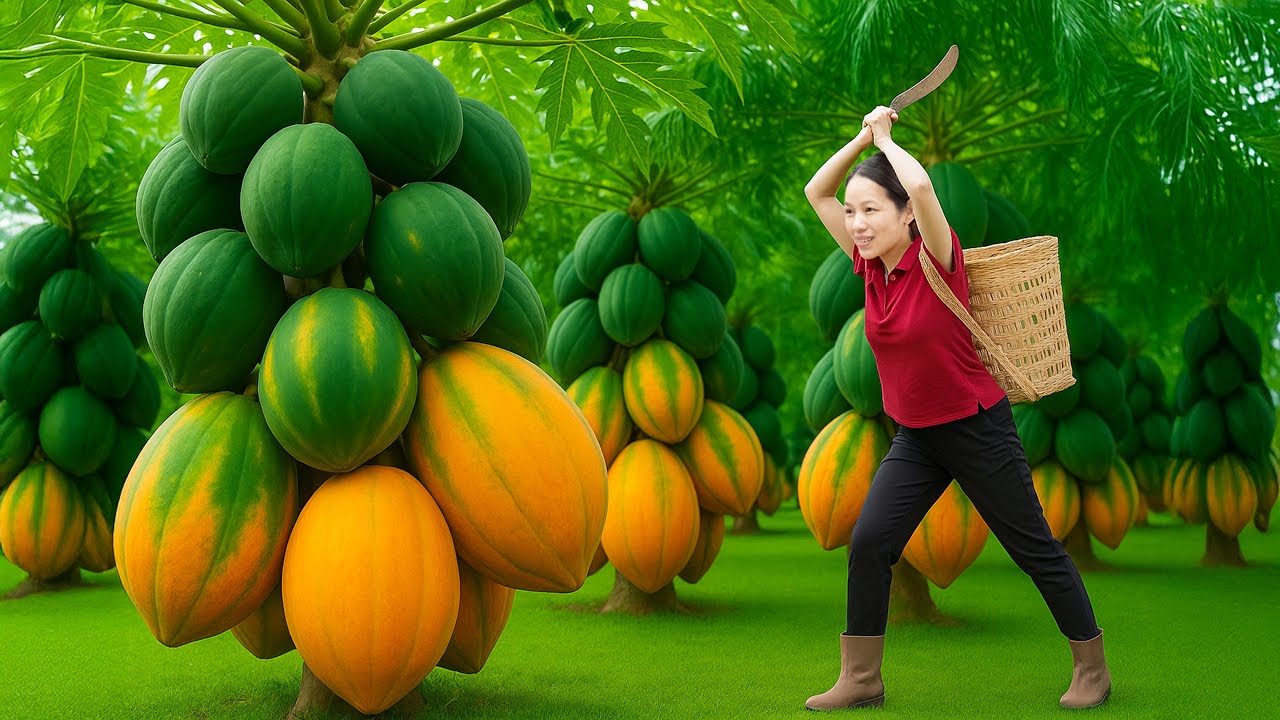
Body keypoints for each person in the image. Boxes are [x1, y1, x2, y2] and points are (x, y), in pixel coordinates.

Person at [800, 106, 1111, 711]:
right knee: (869, 542)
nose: (858, 223)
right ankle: (862, 679)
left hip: (976, 428)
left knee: (1034, 550)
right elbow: (818, 190)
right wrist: (862, 139)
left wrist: (887, 140)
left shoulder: (938, 261)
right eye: (855, 212)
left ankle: (1091, 668)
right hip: (916, 438)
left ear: (905, 217)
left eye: (872, 211)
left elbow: (918, 184)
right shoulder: (868, 270)